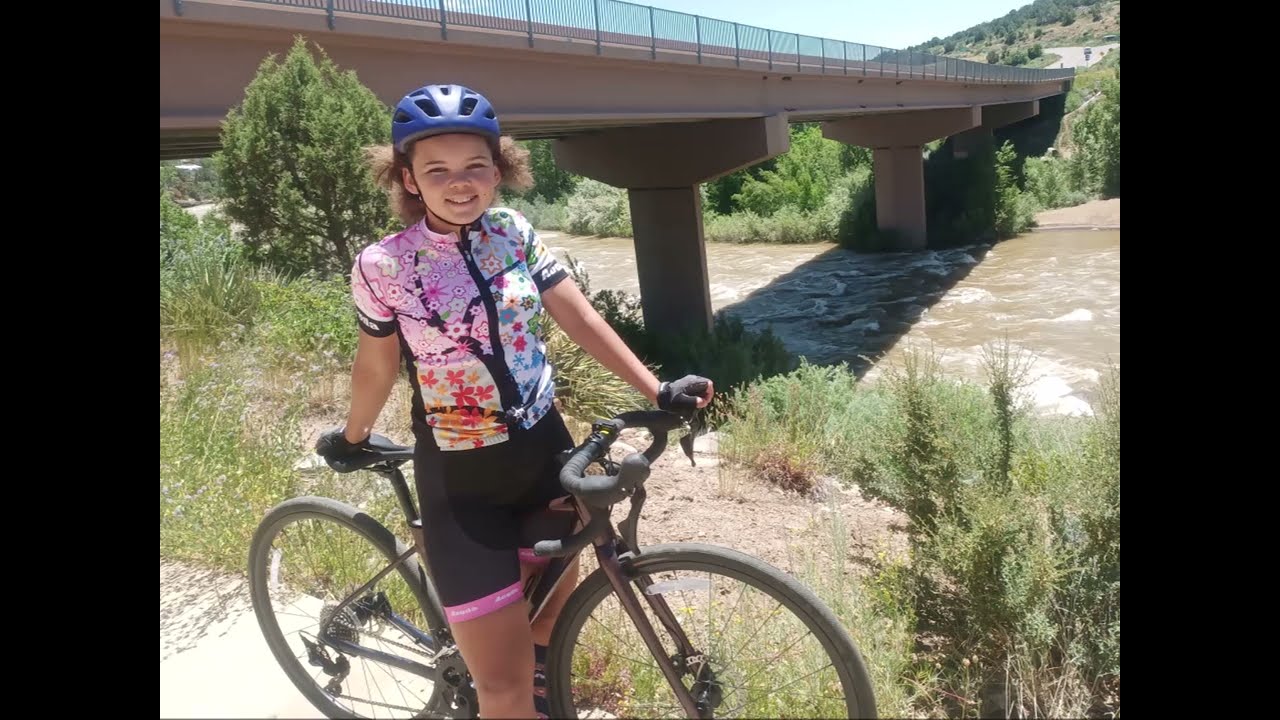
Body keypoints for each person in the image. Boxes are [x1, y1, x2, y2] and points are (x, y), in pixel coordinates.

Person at [315, 83, 714, 719]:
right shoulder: (382, 265)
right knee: (501, 689)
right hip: (462, 484)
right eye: (437, 170)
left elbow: (580, 318)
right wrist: (353, 436)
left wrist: (656, 388)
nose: (460, 183)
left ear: (498, 170)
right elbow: (377, 365)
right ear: (409, 179)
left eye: (475, 165)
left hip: (547, 456)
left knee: (549, 623)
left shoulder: (513, 232)